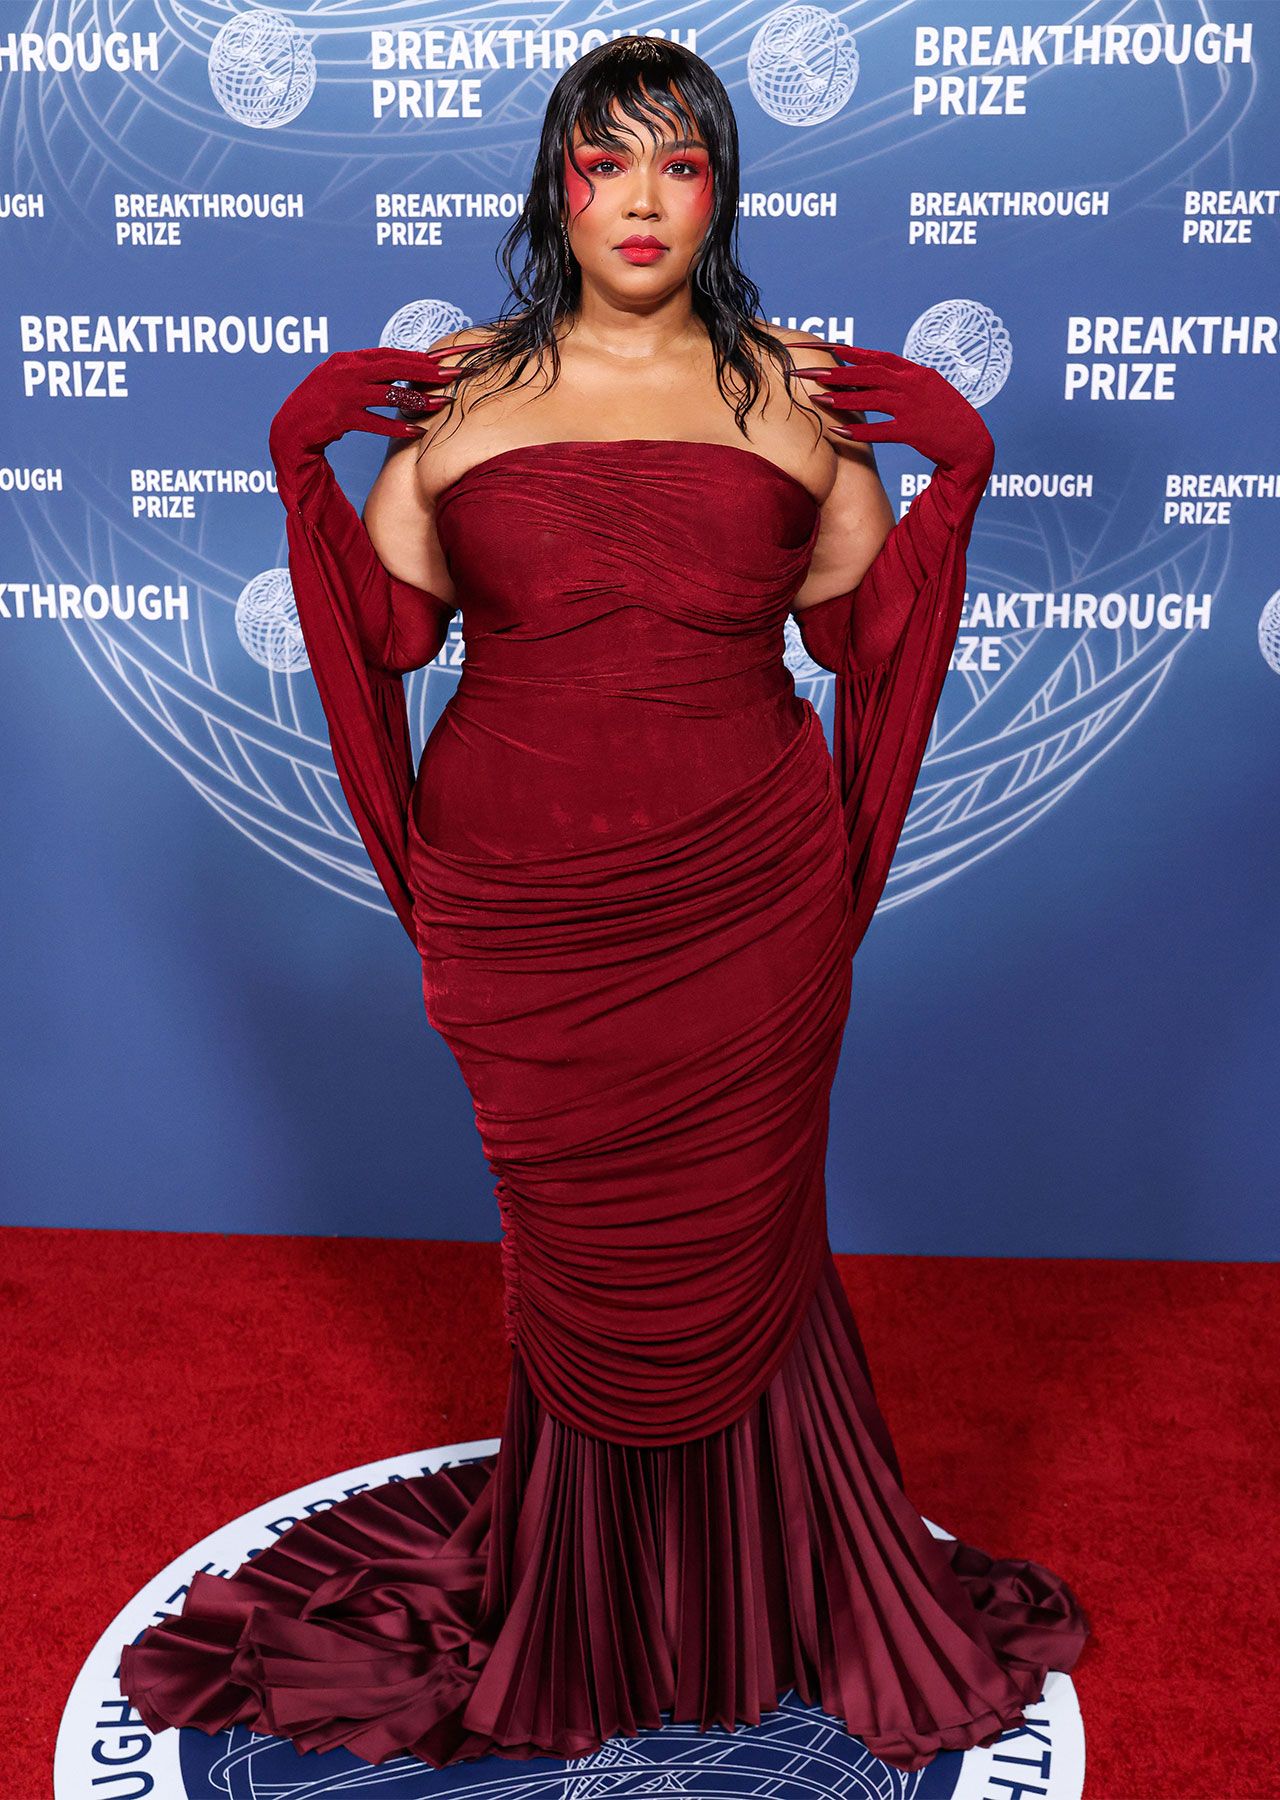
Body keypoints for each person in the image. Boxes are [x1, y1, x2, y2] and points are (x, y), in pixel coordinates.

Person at [117, 37, 1089, 1774]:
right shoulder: (466, 392)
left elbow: (865, 641)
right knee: (577, 1262)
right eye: (602, 164)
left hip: (749, 902)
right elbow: (399, 635)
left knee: (744, 1242)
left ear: (720, 192)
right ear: (554, 186)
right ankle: (588, 1600)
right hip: (525, 915)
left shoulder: (793, 392)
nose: (640, 201)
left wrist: (958, 476)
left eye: (680, 165)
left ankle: (773, 1587)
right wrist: (301, 466)